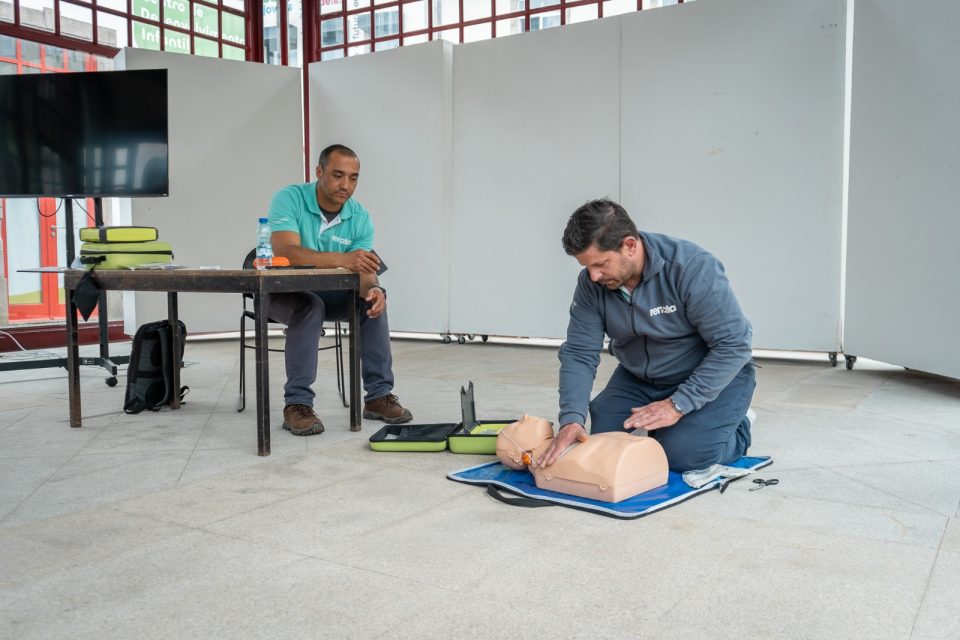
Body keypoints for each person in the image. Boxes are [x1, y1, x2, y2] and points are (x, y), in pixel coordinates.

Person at [542, 198, 755, 472]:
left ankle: (739, 424)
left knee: (682, 455)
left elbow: (734, 345)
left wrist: (676, 406)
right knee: (602, 444)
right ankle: (668, 427)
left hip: (709, 374)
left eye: (601, 264)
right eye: (587, 267)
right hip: (640, 378)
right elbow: (580, 353)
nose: (593, 276)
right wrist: (571, 419)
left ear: (630, 245)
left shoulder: (692, 268)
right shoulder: (591, 284)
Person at [265, 144, 413, 436]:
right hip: (280, 292)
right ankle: (297, 405)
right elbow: (286, 252)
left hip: (327, 292)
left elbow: (364, 270)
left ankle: (378, 396)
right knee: (310, 307)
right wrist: (344, 259)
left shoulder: (360, 217)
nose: (346, 184)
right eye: (337, 175)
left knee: (371, 302)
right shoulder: (289, 198)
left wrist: (374, 288)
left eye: (353, 177)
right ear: (319, 172)